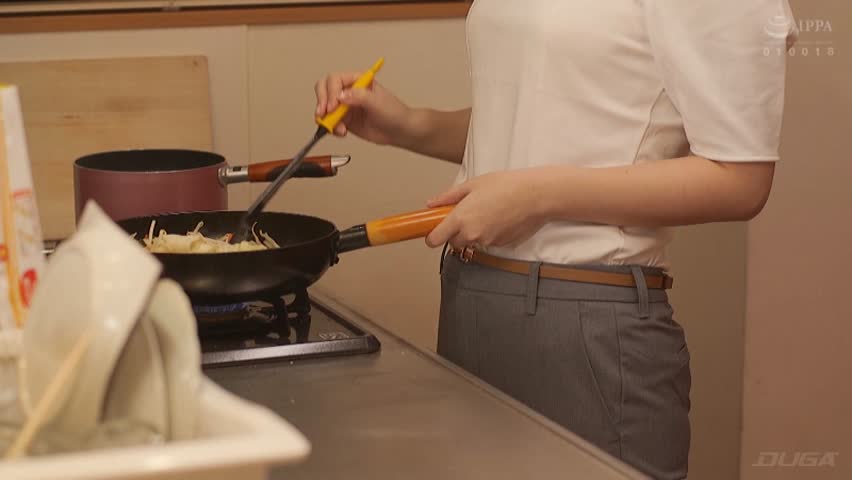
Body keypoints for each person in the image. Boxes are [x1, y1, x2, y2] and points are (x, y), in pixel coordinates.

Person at [314, 1, 797, 478]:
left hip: (586, 323)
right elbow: (557, 120)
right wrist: (410, 125)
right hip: (470, 298)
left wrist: (539, 196)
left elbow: (741, 179)